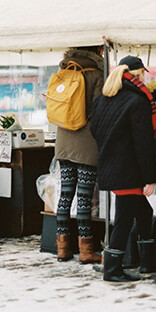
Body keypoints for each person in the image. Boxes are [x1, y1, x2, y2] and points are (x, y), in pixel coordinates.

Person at [90, 56, 156, 282]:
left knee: (144, 211)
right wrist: (149, 178)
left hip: (111, 164)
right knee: (123, 219)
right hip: (128, 169)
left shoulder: (103, 99)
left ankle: (147, 263)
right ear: (138, 74)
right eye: (143, 73)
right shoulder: (137, 101)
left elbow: (94, 130)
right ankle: (112, 270)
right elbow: (143, 143)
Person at [53, 46, 105, 263]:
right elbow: (100, 109)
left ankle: (62, 248)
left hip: (63, 140)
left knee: (65, 195)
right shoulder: (96, 74)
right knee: (84, 197)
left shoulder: (63, 71)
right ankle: (86, 250)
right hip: (86, 142)